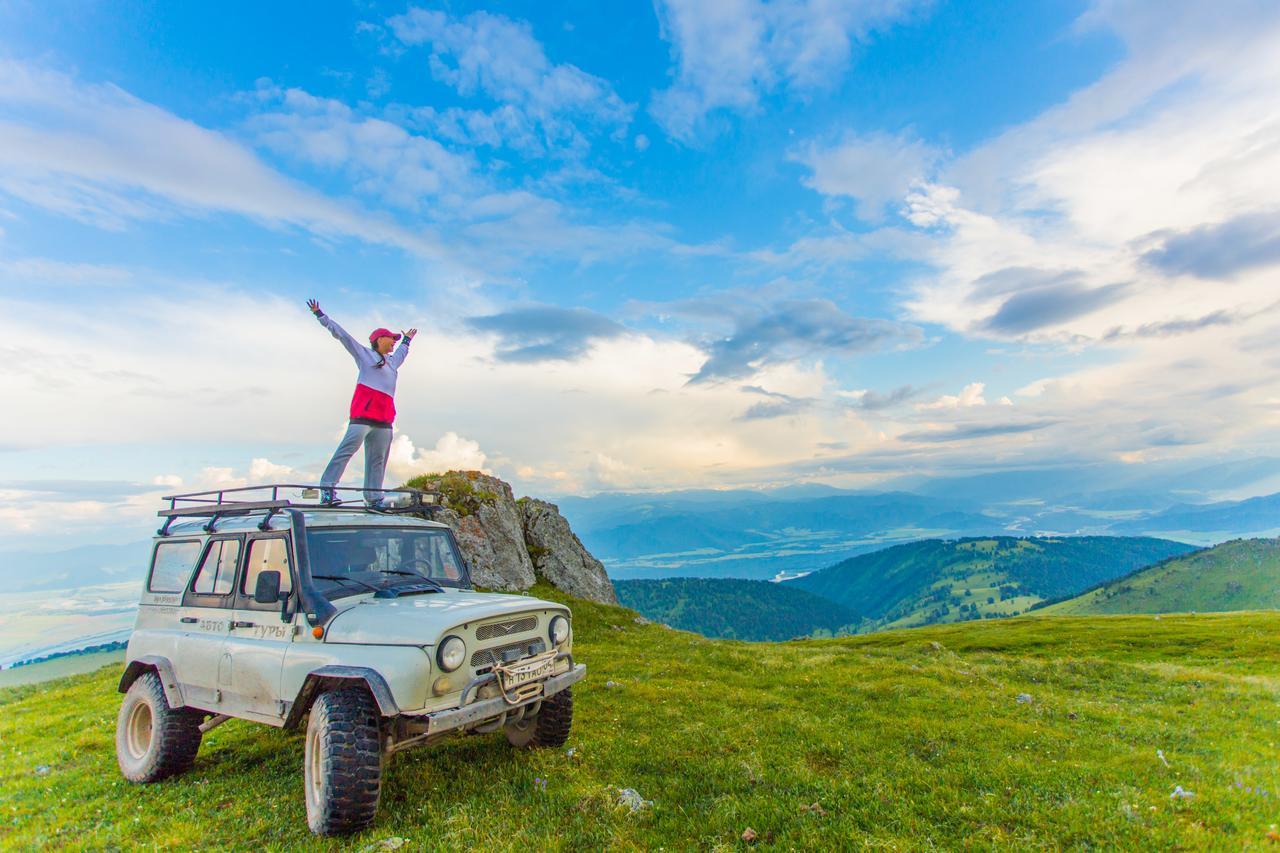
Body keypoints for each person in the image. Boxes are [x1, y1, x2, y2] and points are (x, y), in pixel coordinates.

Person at [307, 299, 417, 507]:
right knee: (345, 452)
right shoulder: (364, 355)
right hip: (363, 418)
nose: (394, 342)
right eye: (391, 339)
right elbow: (342, 336)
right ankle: (328, 490)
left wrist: (407, 341)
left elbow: (402, 352)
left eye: (395, 340)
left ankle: (374, 497)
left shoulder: (392, 363)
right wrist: (320, 315)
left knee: (378, 460)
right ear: (379, 339)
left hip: (384, 420)